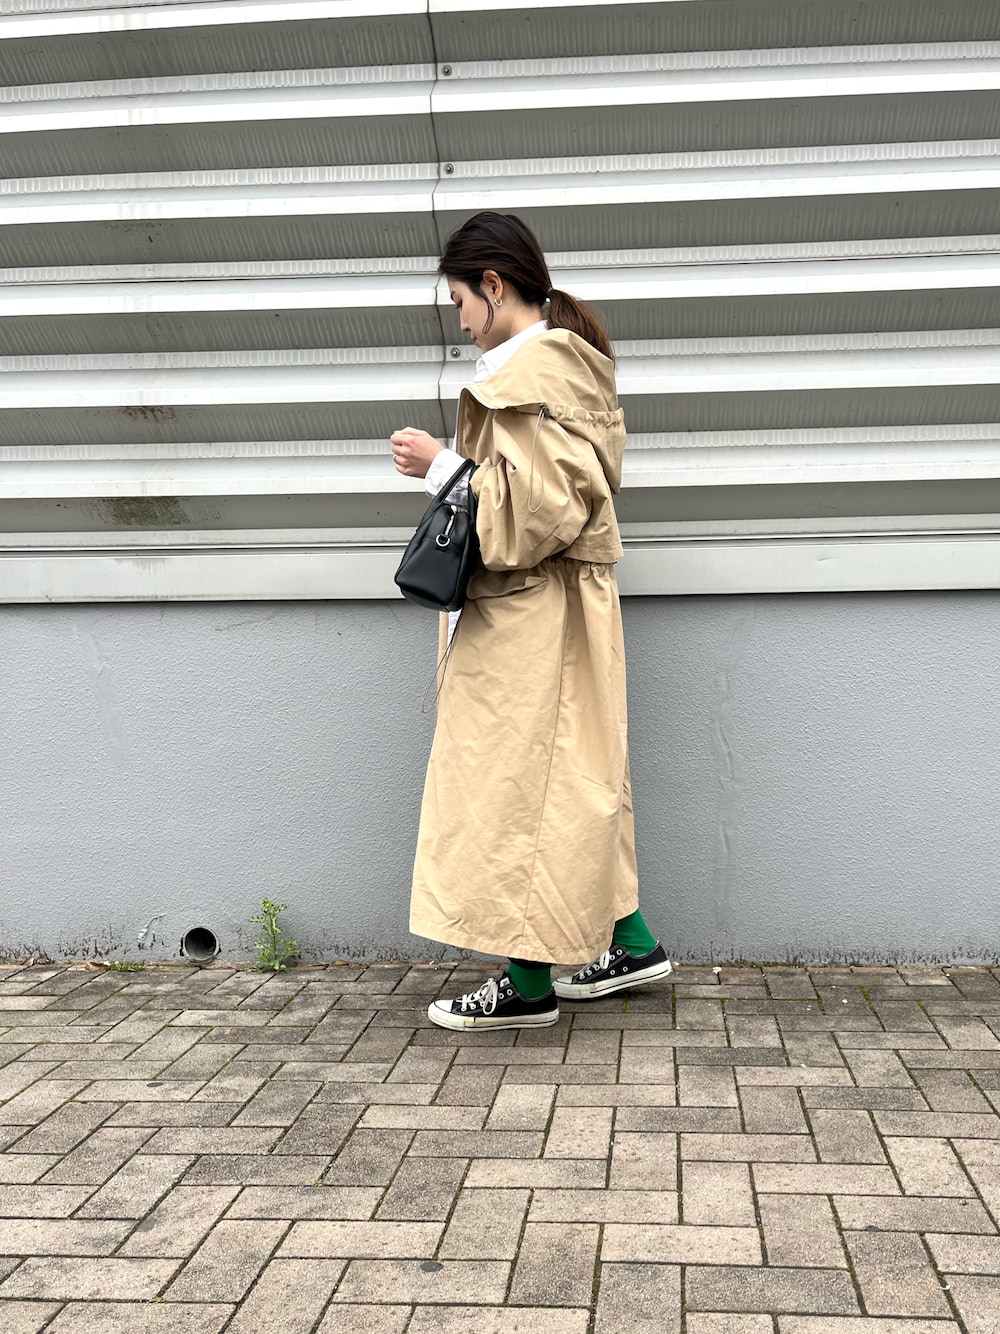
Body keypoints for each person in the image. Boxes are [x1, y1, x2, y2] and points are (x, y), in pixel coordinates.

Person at [391, 212, 672, 1031]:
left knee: (519, 791)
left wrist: (442, 468)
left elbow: (538, 513)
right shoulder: (545, 368)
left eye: (460, 301)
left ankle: (527, 984)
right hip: (545, 611)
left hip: (536, 618)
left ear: (493, 283)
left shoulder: (537, 371)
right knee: (571, 783)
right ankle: (632, 942)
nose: (461, 322)